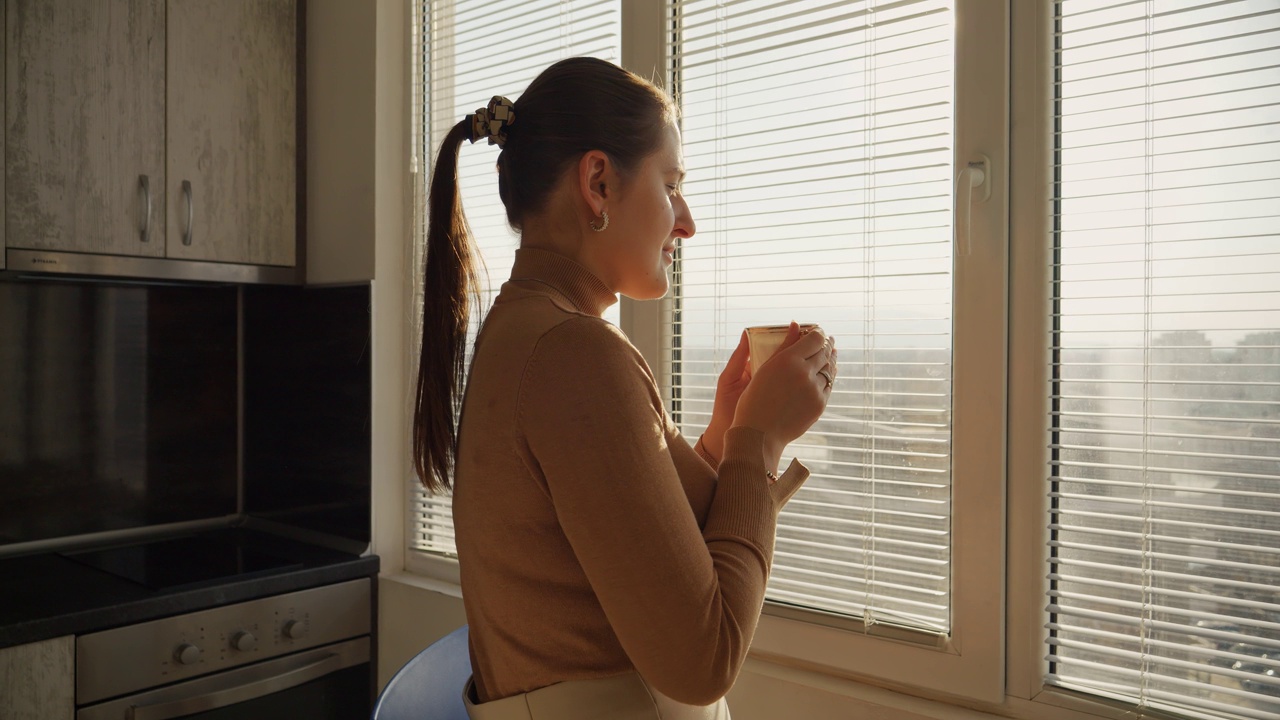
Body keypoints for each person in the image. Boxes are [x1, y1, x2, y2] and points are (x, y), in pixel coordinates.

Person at [412, 57, 837, 720]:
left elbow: (641, 549)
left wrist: (727, 433)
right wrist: (760, 439)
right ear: (599, 183)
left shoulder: (531, 332)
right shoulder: (574, 353)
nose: (687, 222)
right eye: (671, 185)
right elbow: (703, 660)